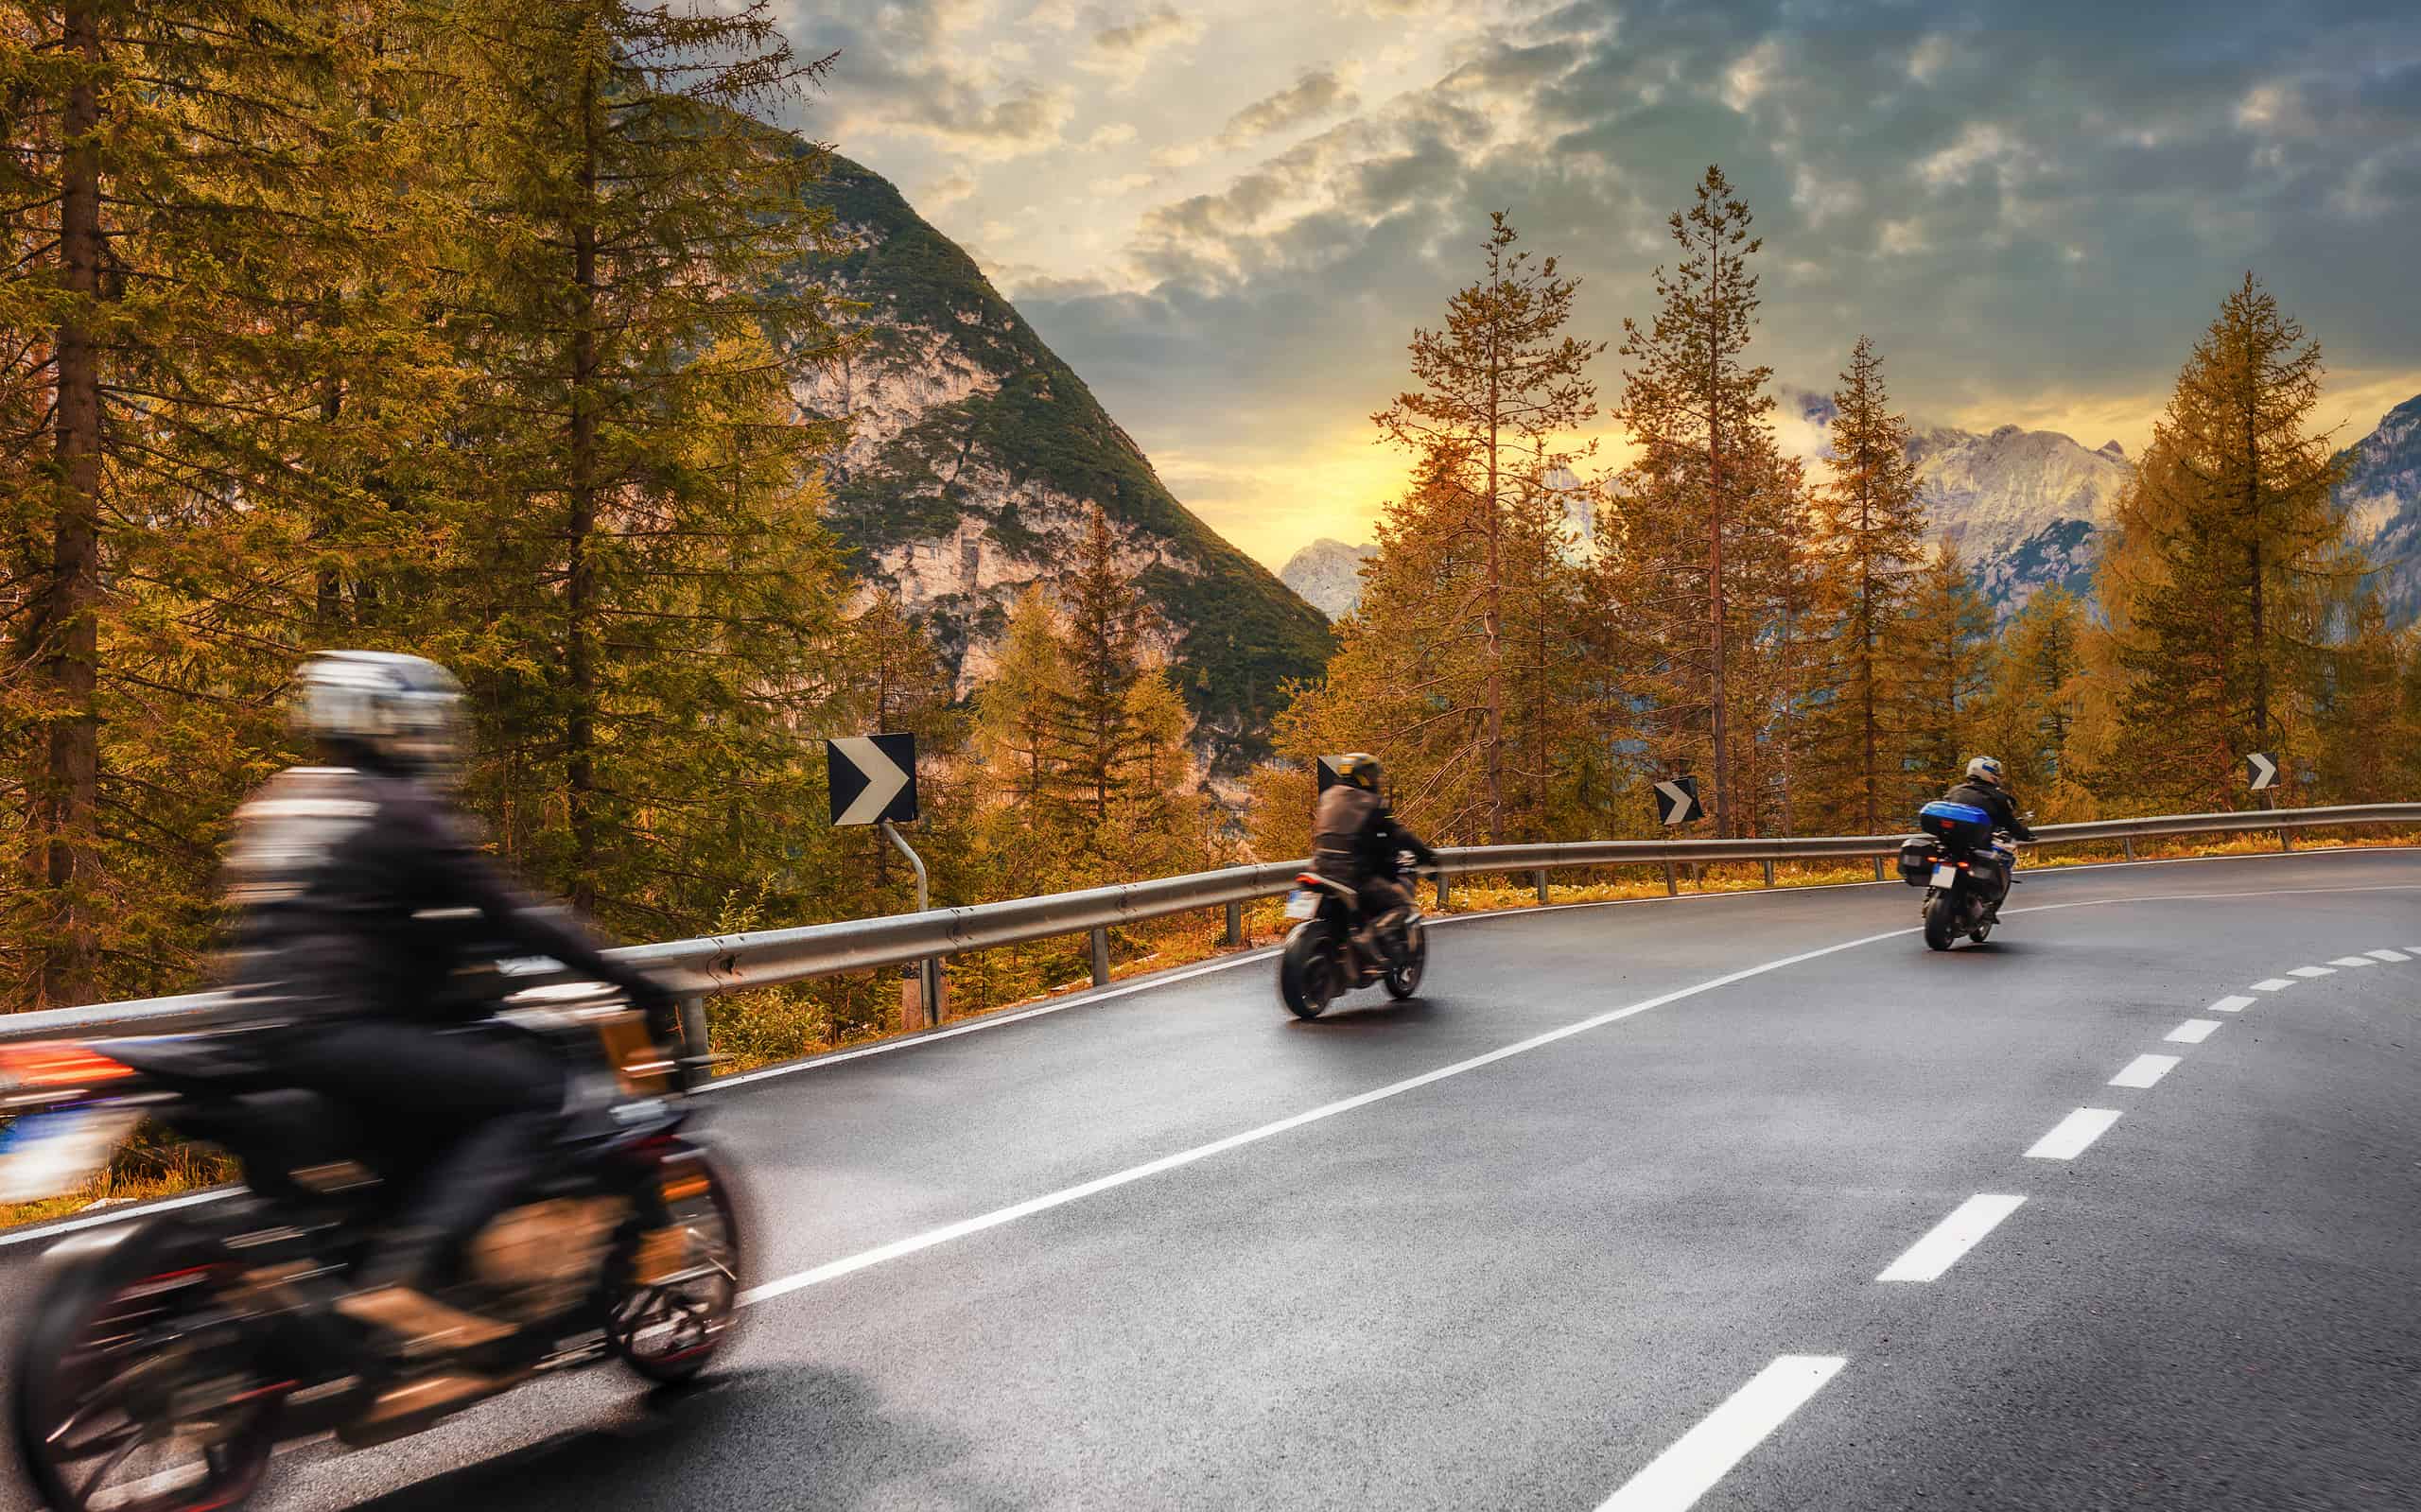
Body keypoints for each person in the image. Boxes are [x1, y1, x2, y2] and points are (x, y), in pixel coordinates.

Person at [218, 651, 677, 1355]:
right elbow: (512, 914)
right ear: (393, 725)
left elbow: (340, 916)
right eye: (421, 722)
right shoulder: (399, 807)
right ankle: (409, 1274)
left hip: (252, 1032)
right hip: (345, 1030)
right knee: (531, 1091)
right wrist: (632, 981)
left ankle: (355, 1275)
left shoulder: (287, 800)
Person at [1309, 753, 1437, 965]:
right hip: (1352, 876)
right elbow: (1398, 834)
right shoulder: (1371, 802)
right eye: (1371, 774)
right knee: (1402, 906)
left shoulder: (1328, 796)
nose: (1375, 779)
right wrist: (1427, 855)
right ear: (1362, 776)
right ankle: (1369, 937)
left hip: (1318, 869)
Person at [1940, 755, 2036, 842]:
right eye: (1996, 772)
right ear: (1987, 773)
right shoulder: (1998, 797)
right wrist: (2025, 835)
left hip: (1951, 842)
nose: (1998, 776)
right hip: (1976, 846)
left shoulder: (1954, 791)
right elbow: (2010, 823)